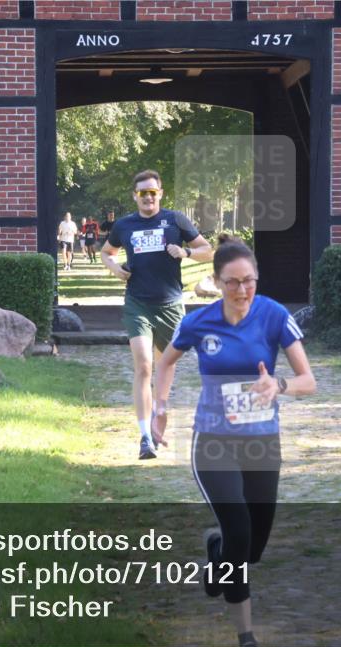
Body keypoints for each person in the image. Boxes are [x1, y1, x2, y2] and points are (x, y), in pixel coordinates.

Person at [152, 234, 316, 647]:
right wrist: (161, 408)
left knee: (252, 547)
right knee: (240, 531)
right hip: (213, 442)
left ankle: (216, 552)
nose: (242, 291)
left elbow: (308, 381)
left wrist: (278, 385)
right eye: (232, 283)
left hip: (261, 443)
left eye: (249, 281)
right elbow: (166, 362)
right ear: (215, 281)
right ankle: (246, 639)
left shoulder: (274, 315)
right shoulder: (199, 322)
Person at [100, 170, 213, 460]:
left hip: (171, 305)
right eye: (142, 193)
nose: (148, 197)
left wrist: (185, 253)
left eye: (152, 192)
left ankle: (157, 419)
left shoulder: (175, 221)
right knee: (144, 366)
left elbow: (207, 250)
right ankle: (145, 437)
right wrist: (115, 270)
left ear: (160, 194)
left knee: (163, 370)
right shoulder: (125, 225)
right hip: (138, 303)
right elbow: (107, 252)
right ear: (134, 196)